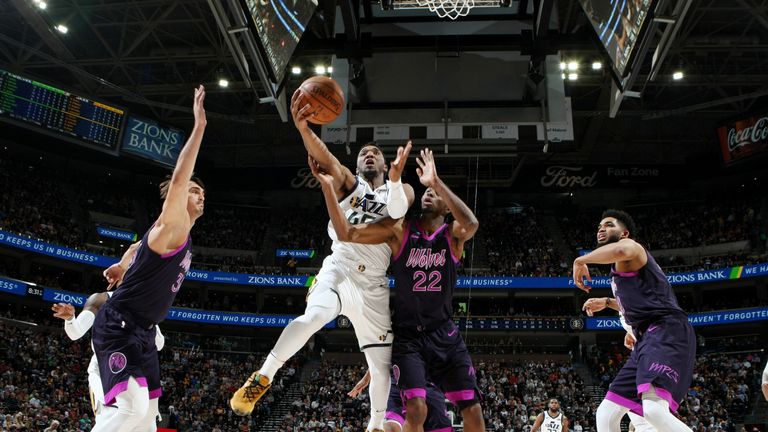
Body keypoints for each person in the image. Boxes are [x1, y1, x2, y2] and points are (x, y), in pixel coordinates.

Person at [230, 89, 415, 432]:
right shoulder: (348, 183)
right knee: (313, 316)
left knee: (382, 365)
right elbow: (326, 157)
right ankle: (263, 376)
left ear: (385, 162)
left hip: (374, 284)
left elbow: (400, 209)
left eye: (375, 151)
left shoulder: (399, 190)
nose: (369, 154)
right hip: (339, 269)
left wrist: (396, 177)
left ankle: (375, 425)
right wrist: (304, 130)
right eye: (363, 153)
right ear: (358, 165)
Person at [311, 148, 484, 432]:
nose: (428, 193)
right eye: (427, 191)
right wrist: (329, 188)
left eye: (435, 194)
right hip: (408, 337)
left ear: (446, 206)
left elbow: (472, 223)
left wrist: (436, 181)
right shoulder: (401, 230)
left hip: (444, 333)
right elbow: (346, 233)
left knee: (473, 411)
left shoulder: (452, 236)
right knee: (415, 409)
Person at [89, 85, 207, 432]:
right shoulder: (173, 224)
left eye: (203, 193)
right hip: (120, 325)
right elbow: (180, 180)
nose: (201, 196)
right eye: (195, 190)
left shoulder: (168, 234)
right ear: (179, 194)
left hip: (143, 331)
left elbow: (135, 247)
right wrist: (198, 127)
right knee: (130, 408)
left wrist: (123, 265)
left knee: (147, 415)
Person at [574, 210, 695, 432]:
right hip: (646, 338)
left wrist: (581, 259)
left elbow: (622, 248)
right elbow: (641, 302)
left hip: (667, 331)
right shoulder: (621, 268)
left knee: (653, 410)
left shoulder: (633, 248)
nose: (602, 228)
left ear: (624, 233)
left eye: (609, 225)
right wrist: (608, 302)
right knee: (606, 413)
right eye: (599, 226)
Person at [51, 243, 166, 430]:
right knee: (117, 415)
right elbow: (75, 333)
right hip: (105, 370)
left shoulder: (143, 308)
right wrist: (70, 318)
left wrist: (152, 324)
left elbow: (159, 345)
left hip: (136, 371)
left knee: (146, 425)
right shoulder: (101, 299)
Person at [349, 370, 453, 432]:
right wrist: (367, 377)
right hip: (398, 382)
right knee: (391, 426)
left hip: (429, 383)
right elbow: (380, 355)